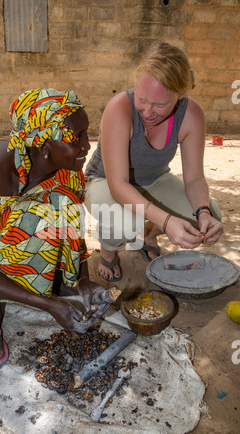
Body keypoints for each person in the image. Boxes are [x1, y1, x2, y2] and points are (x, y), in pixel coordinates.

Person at [0, 88, 110, 365]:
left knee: (59, 207)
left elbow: (72, 231)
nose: (86, 146)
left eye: (85, 133)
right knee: (32, 219)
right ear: (43, 145)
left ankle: (58, 281)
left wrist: (82, 280)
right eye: (74, 138)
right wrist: (47, 304)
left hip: (23, 232)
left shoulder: (67, 170)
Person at [84, 41, 224, 282]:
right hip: (104, 180)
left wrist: (203, 212)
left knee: (211, 217)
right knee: (125, 224)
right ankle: (109, 249)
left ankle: (149, 235)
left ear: (180, 96)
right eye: (142, 99)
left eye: (160, 104)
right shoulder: (119, 108)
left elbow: (195, 178)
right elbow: (119, 185)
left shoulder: (191, 115)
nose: (147, 112)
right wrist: (168, 221)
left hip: (155, 179)